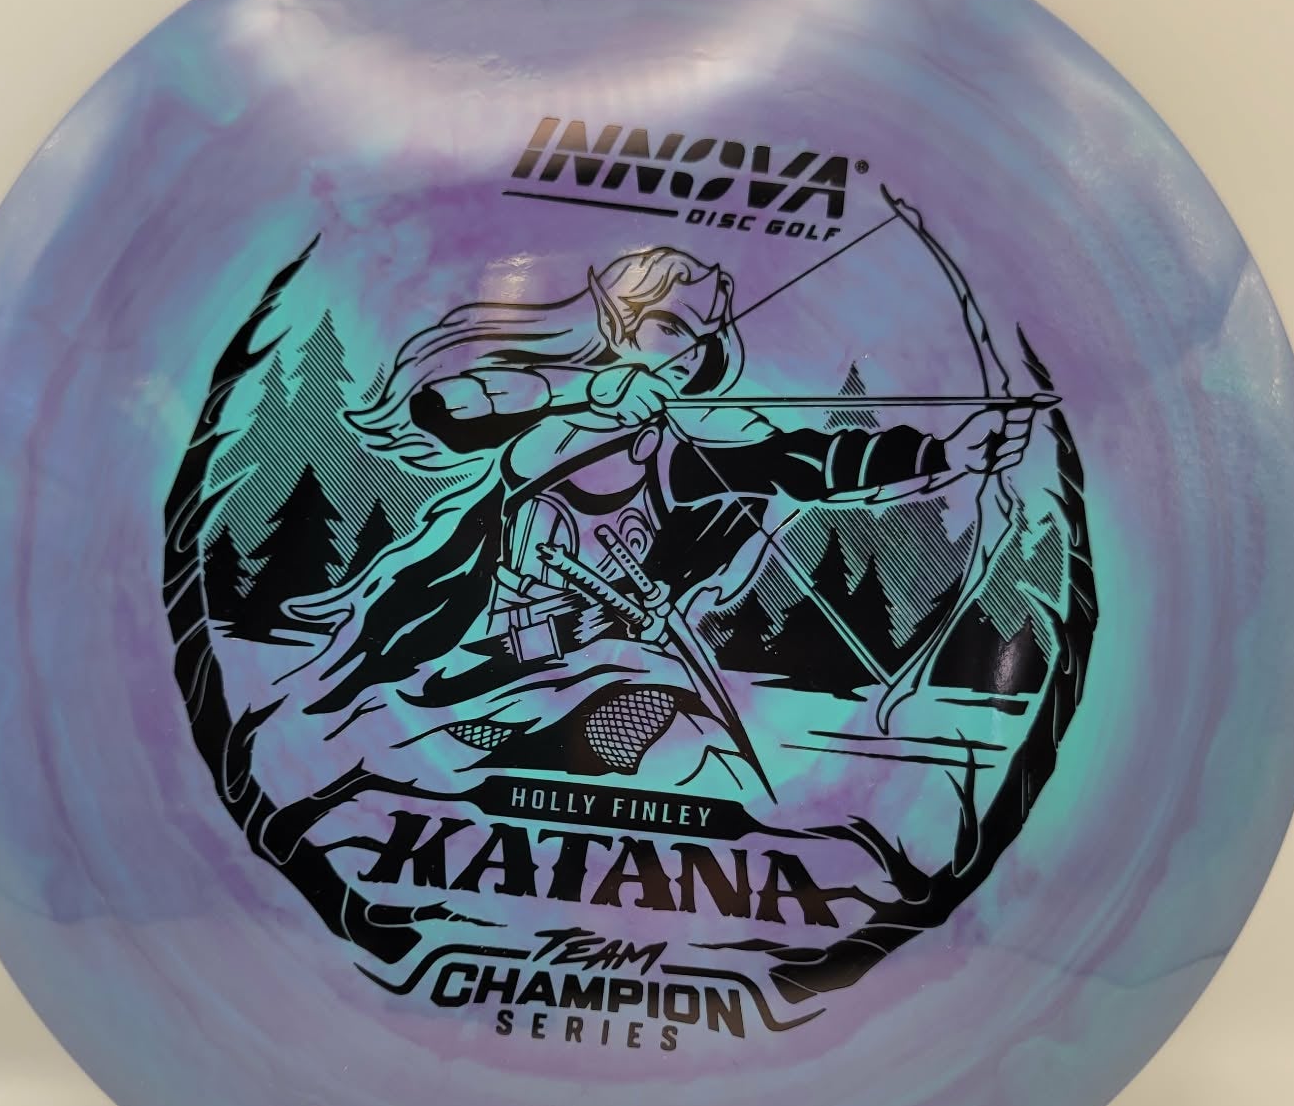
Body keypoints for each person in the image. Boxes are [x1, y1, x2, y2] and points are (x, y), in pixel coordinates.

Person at [273, 245, 1031, 791]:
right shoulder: (546, 416)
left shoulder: (692, 449)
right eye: (667, 328)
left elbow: (799, 460)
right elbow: (446, 407)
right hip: (479, 662)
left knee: (662, 727)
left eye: (699, 340)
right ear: (617, 322)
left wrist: (944, 452)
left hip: (602, 666)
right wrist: (582, 396)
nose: (683, 356)